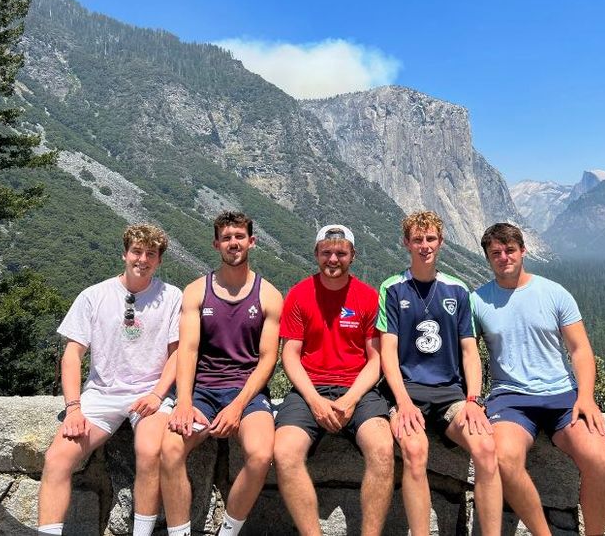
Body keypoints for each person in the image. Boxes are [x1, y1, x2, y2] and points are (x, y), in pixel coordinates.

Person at [38, 224, 182, 536]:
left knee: (150, 452)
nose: (142, 259)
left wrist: (158, 394)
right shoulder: (94, 296)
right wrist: (73, 408)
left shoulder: (172, 297)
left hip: (150, 392)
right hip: (101, 394)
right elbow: (72, 354)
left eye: (151, 254)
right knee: (57, 459)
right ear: (124, 254)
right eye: (137, 252)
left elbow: (177, 354)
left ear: (159, 260)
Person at [472, 222, 605, 536]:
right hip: (510, 400)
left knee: (600, 459)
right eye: (496, 253)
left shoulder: (554, 293)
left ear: (523, 251)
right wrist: (471, 399)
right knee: (504, 459)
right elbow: (468, 354)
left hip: (562, 396)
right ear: (488, 258)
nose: (504, 257)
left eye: (510, 250)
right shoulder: (478, 301)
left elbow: (580, 349)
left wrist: (586, 396)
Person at [377, 211, 502, 536]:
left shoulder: (457, 290)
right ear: (406, 243)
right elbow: (388, 352)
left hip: (450, 394)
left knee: (486, 449)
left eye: (430, 238)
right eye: (417, 239)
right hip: (407, 392)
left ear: (441, 242)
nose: (425, 245)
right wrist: (403, 402)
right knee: (414, 451)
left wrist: (473, 400)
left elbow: (469, 351)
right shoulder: (392, 288)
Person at [160, 211, 282, 536]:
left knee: (260, 455)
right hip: (202, 391)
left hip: (248, 393)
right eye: (226, 238)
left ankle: (227, 531)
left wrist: (237, 407)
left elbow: (268, 360)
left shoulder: (269, 295)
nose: (233, 243)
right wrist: (183, 402)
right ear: (216, 244)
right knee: (169, 450)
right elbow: (188, 350)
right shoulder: (196, 292)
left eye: (239, 237)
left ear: (252, 242)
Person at [273, 224, 394, 536]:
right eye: (326, 252)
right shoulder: (299, 294)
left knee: (383, 450)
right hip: (309, 388)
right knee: (284, 453)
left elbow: (376, 360)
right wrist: (315, 401)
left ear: (353, 256)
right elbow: (290, 355)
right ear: (316, 254)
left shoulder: (368, 297)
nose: (333, 259)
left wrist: (350, 399)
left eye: (341, 253)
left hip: (358, 389)